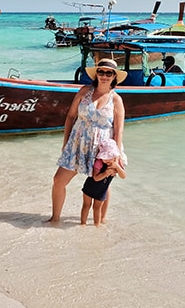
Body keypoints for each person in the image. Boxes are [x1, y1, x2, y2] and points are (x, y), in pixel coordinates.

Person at [47, 58, 127, 224]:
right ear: (96, 74)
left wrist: (116, 156)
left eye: (109, 73)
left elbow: (118, 130)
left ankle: (101, 222)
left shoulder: (116, 100)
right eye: (101, 72)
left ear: (114, 77)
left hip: (103, 149)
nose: (104, 76)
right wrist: (66, 143)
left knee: (103, 183)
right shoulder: (84, 91)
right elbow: (70, 117)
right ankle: (55, 218)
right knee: (58, 180)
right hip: (77, 144)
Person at [81, 138, 126, 226]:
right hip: (90, 187)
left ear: (115, 155)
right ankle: (83, 223)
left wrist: (117, 167)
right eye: (105, 158)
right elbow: (96, 178)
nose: (107, 160)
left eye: (109, 158)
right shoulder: (99, 162)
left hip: (102, 190)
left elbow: (123, 176)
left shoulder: (117, 162)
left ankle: (97, 225)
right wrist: (106, 173)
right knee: (86, 205)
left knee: (97, 207)